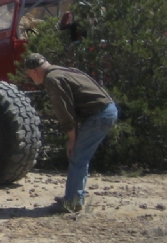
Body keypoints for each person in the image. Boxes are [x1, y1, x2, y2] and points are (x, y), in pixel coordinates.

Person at [23, 53, 118, 213]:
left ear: (34, 71)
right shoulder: (63, 71)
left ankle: (73, 202)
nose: (31, 78)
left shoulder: (53, 80)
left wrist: (72, 138)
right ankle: (73, 197)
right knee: (80, 156)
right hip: (106, 111)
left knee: (77, 156)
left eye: (29, 74)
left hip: (99, 115)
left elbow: (65, 112)